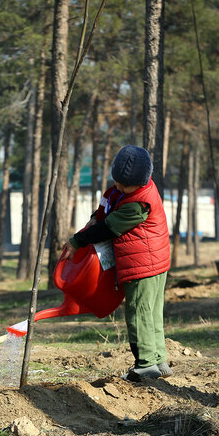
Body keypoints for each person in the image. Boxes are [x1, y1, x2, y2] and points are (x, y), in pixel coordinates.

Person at [61, 145, 171, 381]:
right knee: (150, 312)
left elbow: (109, 227)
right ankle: (158, 359)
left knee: (139, 313)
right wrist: (93, 218)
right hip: (151, 261)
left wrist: (77, 240)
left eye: (124, 184)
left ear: (142, 181)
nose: (118, 186)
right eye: (117, 181)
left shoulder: (139, 203)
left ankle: (146, 366)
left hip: (143, 264)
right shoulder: (124, 191)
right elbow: (107, 204)